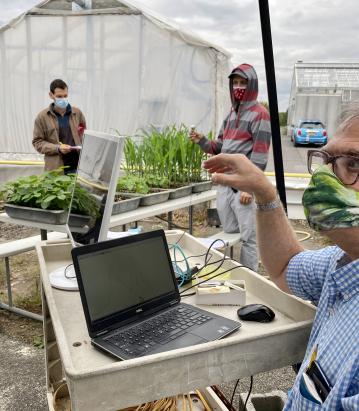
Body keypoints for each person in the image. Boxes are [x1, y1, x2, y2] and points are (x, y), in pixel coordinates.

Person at [202, 107, 359, 410]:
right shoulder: (341, 263)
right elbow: (285, 266)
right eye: (326, 160)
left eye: (353, 164)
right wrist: (264, 192)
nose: (327, 177)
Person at [190, 63, 271, 271]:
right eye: (234, 83)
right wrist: (201, 141)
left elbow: (260, 155)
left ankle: (250, 281)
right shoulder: (230, 115)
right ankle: (234, 274)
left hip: (242, 187)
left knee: (248, 238)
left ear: (252, 84)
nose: (238, 87)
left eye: (243, 82)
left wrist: (249, 187)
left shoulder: (260, 114)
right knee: (230, 233)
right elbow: (219, 147)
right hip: (225, 184)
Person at [32, 79, 86, 173]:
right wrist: (57, 148)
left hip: (77, 167)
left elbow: (84, 135)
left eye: (65, 96)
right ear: (51, 95)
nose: (63, 99)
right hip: (56, 169)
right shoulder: (42, 117)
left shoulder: (77, 113)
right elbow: (37, 142)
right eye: (59, 96)